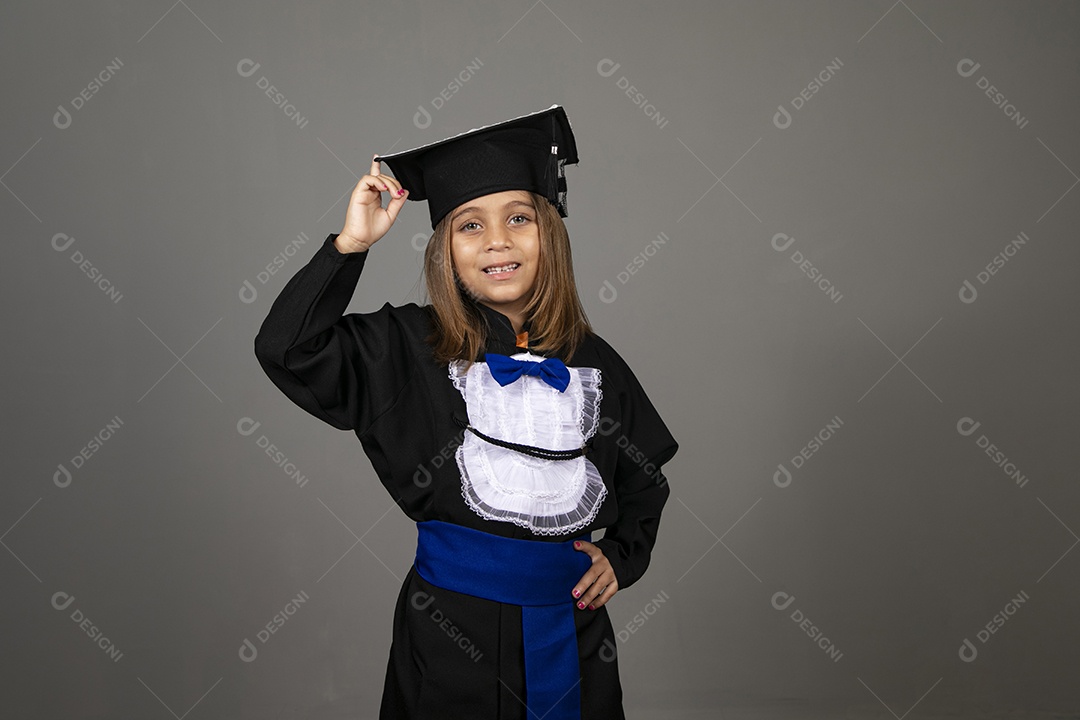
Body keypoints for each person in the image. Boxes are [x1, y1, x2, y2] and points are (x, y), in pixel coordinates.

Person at [254, 104, 678, 720]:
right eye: (470, 226)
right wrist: (349, 247)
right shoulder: (404, 346)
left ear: (549, 234)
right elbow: (287, 349)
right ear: (444, 249)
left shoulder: (595, 363)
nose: (498, 241)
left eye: (518, 218)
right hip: (449, 632)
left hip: (572, 631)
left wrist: (625, 554)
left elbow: (645, 479)